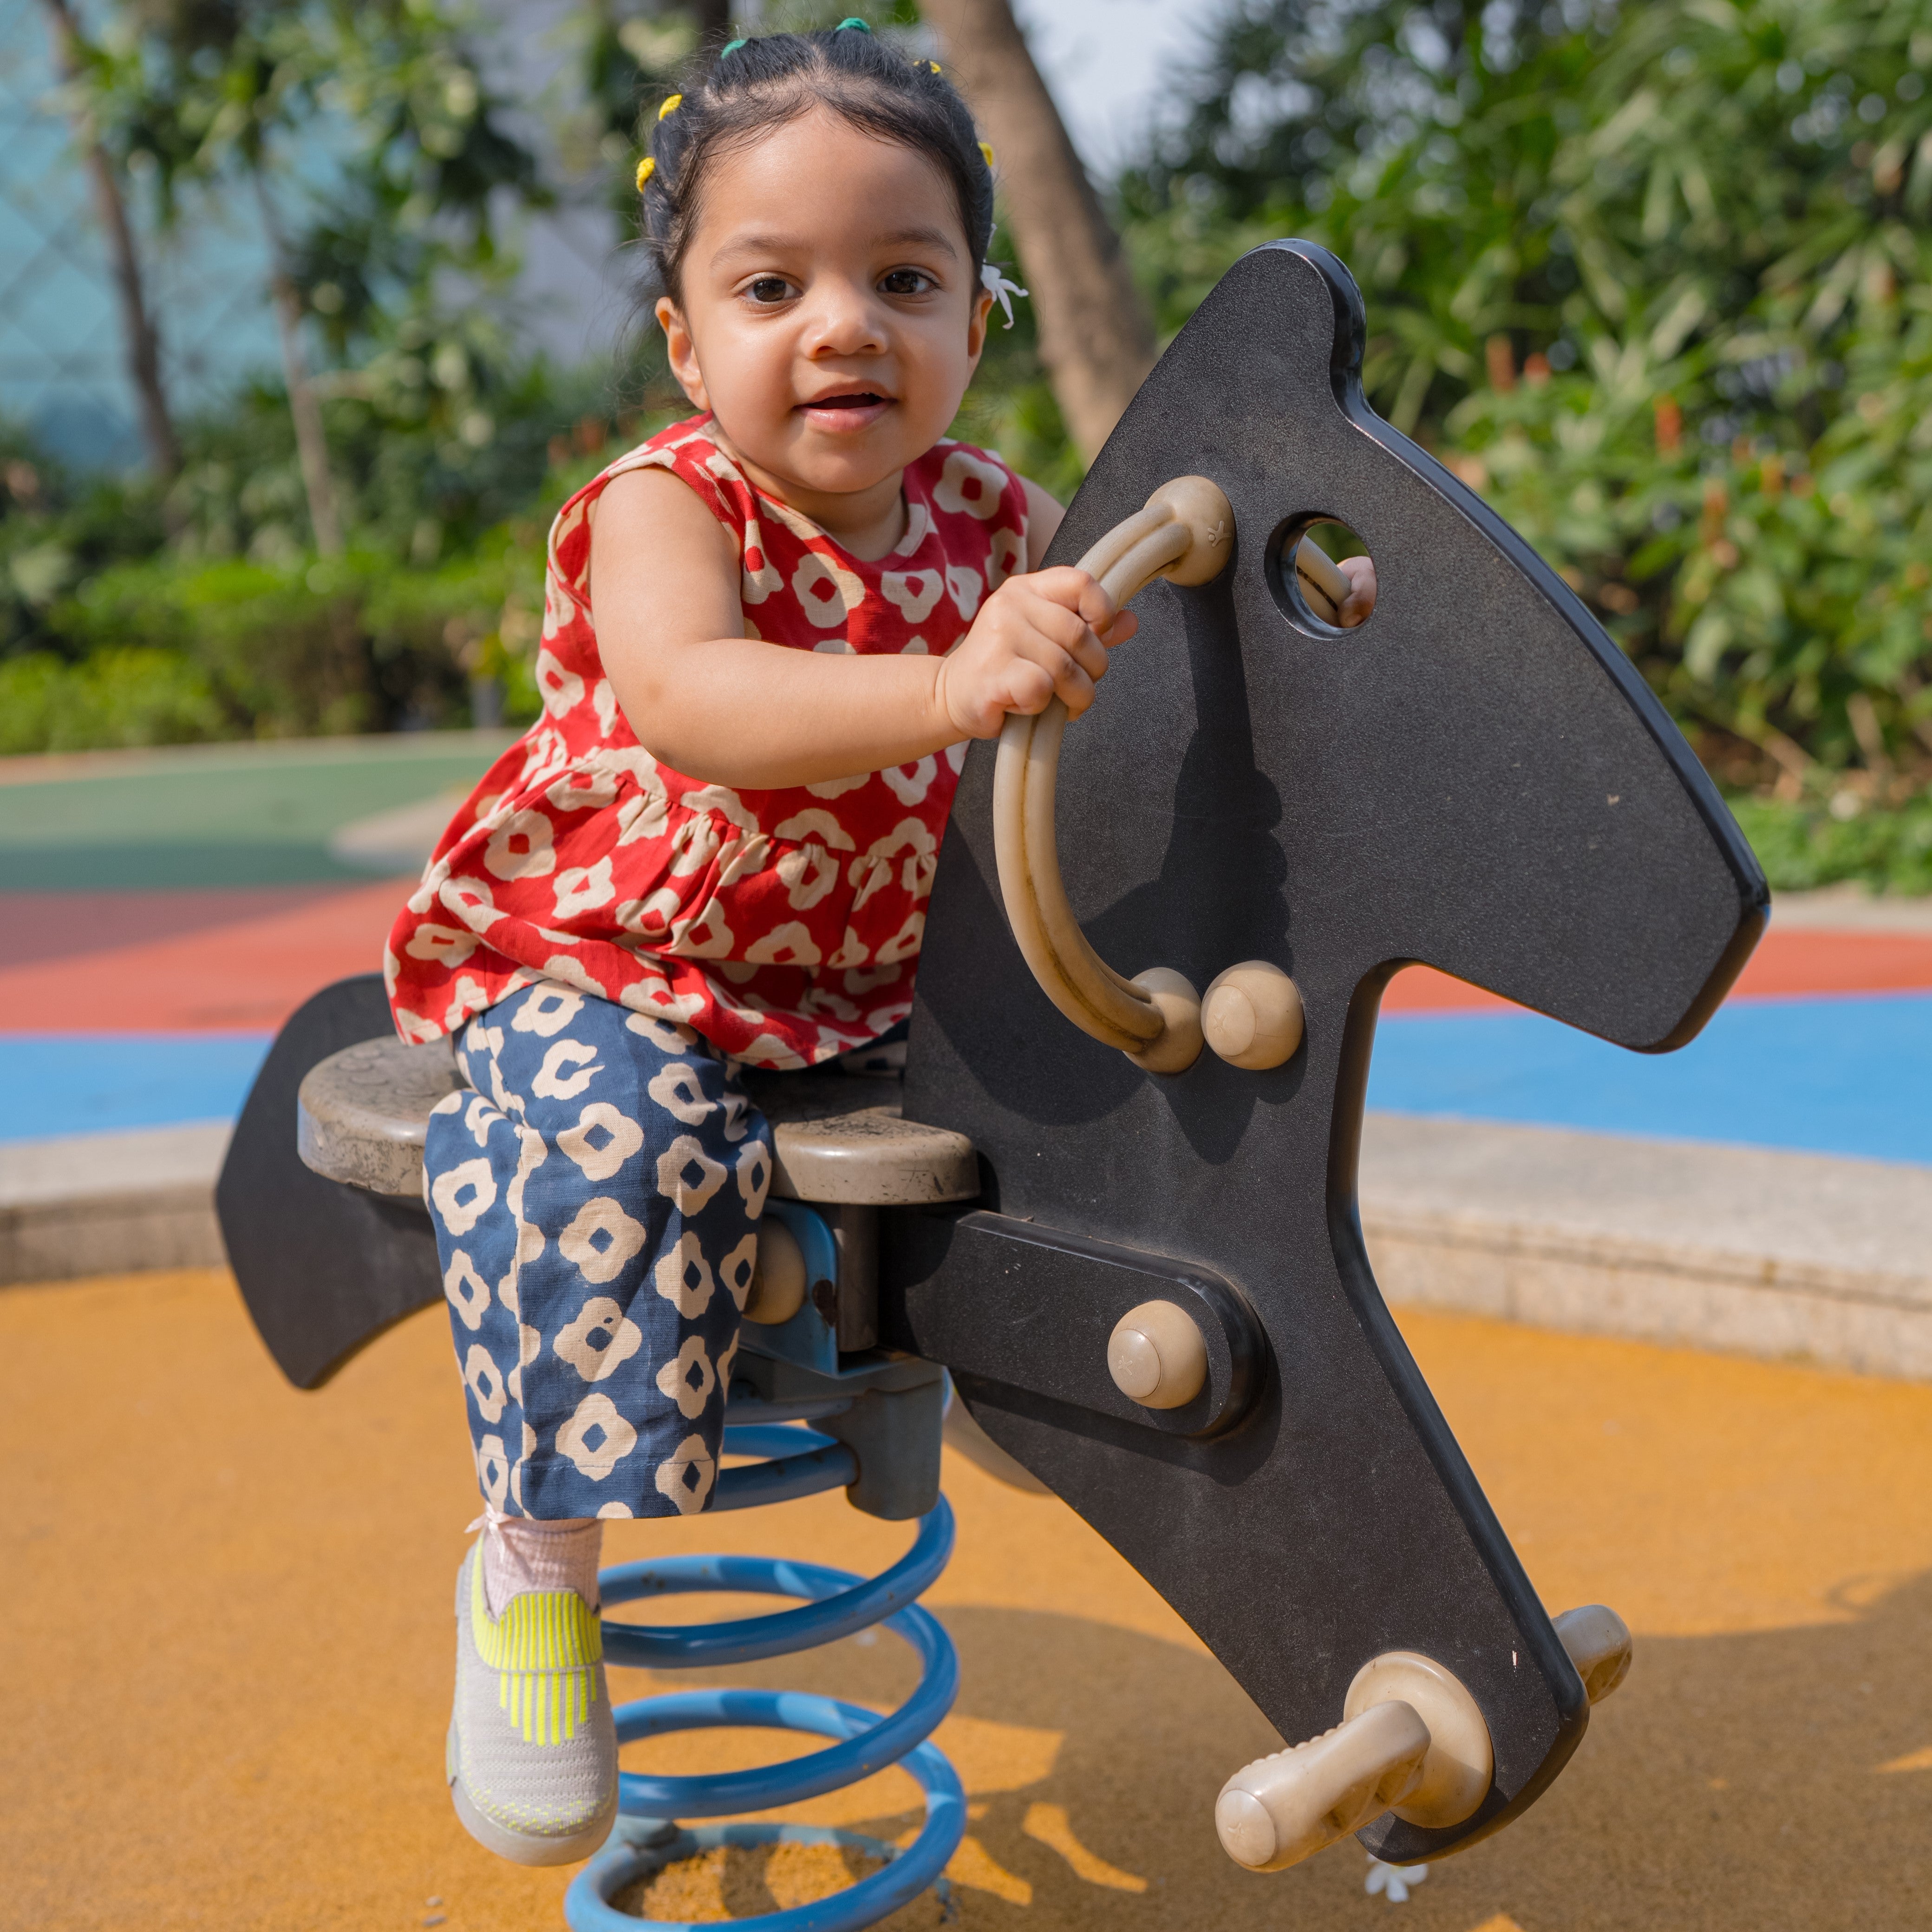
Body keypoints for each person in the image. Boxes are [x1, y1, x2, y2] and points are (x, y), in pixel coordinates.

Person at [385, 20, 1376, 1867]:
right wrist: (940, 681)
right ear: (685, 340)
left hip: (868, 986)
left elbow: (1166, 602)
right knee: (610, 1140)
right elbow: (688, 697)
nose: (841, 324)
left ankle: (1036, 1376)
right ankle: (533, 1563)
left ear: (975, 323)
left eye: (901, 277)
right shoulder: (666, 506)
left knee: (1114, 1089)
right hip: (620, 959)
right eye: (771, 284)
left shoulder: (998, 513)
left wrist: (1307, 600)